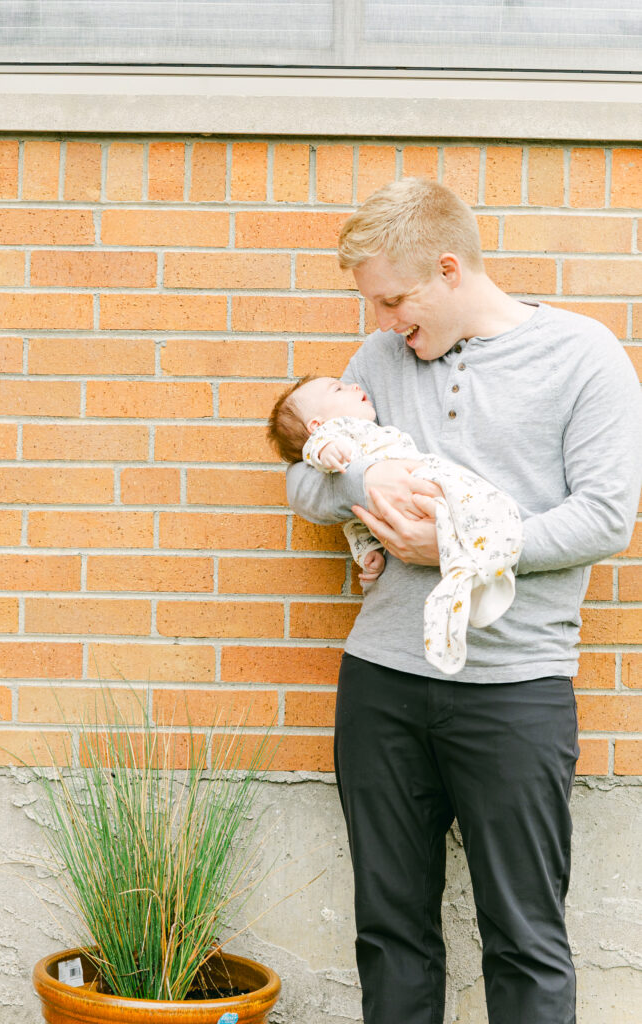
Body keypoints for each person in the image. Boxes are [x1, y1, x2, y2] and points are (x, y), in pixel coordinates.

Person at [285, 177, 642, 1024]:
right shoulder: (377, 363)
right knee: (390, 930)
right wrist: (370, 476)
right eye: (372, 304)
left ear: (448, 269)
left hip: (516, 690)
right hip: (383, 686)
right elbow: (308, 481)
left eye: (394, 300)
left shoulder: (583, 356)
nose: (381, 323)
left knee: (523, 936)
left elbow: (603, 517)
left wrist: (456, 544)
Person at [268, 374, 523, 674]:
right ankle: (477, 566)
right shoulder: (338, 433)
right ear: (316, 425)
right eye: (338, 389)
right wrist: (324, 450)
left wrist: (368, 556)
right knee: (487, 506)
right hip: (425, 481)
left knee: (476, 514)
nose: (353, 386)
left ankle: (468, 575)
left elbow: (358, 526)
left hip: (420, 487)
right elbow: (315, 454)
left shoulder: (354, 431)